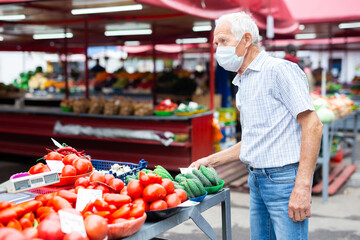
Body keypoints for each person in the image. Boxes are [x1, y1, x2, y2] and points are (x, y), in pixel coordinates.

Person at [190, 12, 323, 240]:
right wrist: (210, 160)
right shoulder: (243, 80)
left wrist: (302, 186)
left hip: (284, 181)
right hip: (257, 180)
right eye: (215, 44)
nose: (218, 49)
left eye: (223, 41)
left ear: (246, 39)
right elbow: (254, 141)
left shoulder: (278, 71)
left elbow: (313, 125)